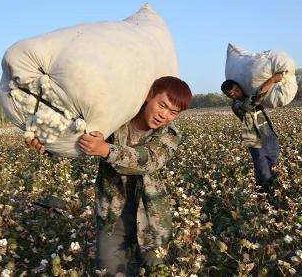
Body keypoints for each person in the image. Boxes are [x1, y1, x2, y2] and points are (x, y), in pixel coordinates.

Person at [26, 76, 192, 275]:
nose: (164, 115)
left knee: (155, 270)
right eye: (162, 105)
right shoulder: (115, 121)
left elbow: (148, 160)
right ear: (149, 95)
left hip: (152, 218)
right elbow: (78, 143)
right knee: (108, 270)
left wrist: (107, 150)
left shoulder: (170, 134)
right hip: (112, 215)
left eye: (173, 112)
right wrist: (48, 147)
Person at [221, 73, 284, 193]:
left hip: (270, 136)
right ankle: (263, 197)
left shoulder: (249, 92)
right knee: (263, 173)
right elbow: (253, 101)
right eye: (231, 93)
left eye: (235, 89)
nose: (235, 92)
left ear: (239, 86)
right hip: (255, 141)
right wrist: (272, 80)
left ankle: (276, 194)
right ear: (229, 96)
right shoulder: (237, 106)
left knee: (274, 166)